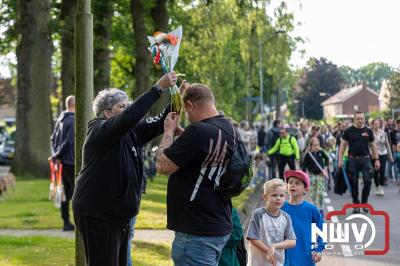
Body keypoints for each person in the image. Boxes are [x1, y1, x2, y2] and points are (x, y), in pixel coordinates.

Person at [72, 72, 177, 266]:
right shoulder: (99, 129)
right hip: (98, 212)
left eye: (127, 105)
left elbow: (161, 121)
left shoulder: (131, 130)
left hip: (119, 214)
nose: (127, 109)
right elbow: (131, 116)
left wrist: (179, 97)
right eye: (122, 106)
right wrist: (157, 88)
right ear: (107, 113)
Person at [155, 83, 234, 266]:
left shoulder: (198, 131)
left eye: (187, 110)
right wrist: (183, 134)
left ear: (190, 105)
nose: (188, 116)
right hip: (218, 221)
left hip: (196, 230)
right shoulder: (228, 129)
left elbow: (162, 166)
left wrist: (168, 132)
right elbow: (205, 152)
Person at [246, 178, 296, 266]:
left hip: (277, 263)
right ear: (265, 197)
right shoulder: (258, 214)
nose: (278, 198)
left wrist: (274, 246)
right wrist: (268, 250)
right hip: (257, 263)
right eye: (274, 195)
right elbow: (253, 239)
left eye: (281, 195)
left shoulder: (286, 217)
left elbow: (292, 241)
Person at [338, 111, 380, 214]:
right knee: (354, 183)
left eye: (362, 118)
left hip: (366, 159)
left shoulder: (368, 131)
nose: (360, 120)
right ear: (354, 119)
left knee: (368, 181)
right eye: (358, 118)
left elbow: (373, 145)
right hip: (352, 159)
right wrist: (340, 160)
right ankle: (356, 204)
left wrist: (377, 159)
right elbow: (342, 146)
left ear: (364, 119)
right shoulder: (348, 131)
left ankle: (364, 203)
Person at [281, 170, 325, 266]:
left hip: (306, 258)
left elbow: (322, 229)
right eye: (290, 182)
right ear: (286, 186)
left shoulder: (311, 209)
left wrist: (319, 249)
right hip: (284, 259)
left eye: (297, 183)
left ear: (305, 189)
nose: (292, 185)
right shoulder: (280, 208)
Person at [49, 95, 75, 231]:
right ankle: (77, 221)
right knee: (77, 192)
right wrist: (58, 155)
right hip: (70, 161)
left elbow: (52, 139)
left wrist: (55, 156)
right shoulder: (73, 120)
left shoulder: (60, 119)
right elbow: (69, 142)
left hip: (60, 162)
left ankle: (66, 222)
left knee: (64, 192)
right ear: (75, 105)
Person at [301, 137, 329, 213]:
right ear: (311, 146)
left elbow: (327, 159)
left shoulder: (321, 152)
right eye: (315, 145)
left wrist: (325, 169)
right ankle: (315, 208)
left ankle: (320, 209)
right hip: (311, 176)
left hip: (320, 175)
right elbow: (304, 165)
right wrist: (304, 175)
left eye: (318, 145)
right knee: (313, 194)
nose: (317, 147)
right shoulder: (308, 154)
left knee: (320, 193)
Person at [371, 118, 393, 196]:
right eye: (375, 124)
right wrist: (371, 154)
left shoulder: (384, 133)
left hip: (383, 153)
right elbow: (368, 146)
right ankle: (377, 187)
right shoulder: (370, 134)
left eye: (378, 124)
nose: (376, 125)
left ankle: (381, 187)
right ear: (372, 125)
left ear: (380, 125)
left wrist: (391, 157)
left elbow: (387, 145)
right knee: (375, 172)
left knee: (382, 170)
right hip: (374, 155)